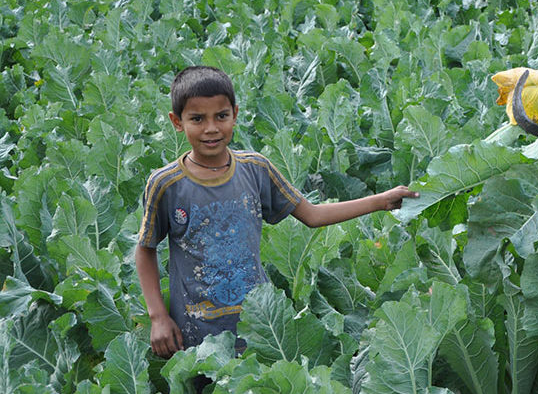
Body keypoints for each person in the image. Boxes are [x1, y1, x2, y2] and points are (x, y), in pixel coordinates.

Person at [135, 66, 418, 362]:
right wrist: (157, 317)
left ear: (235, 114)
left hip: (261, 326)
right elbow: (145, 249)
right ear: (177, 122)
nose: (211, 128)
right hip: (195, 335)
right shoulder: (166, 184)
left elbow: (313, 215)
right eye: (197, 119)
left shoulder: (256, 169)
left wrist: (381, 201)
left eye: (221, 116)